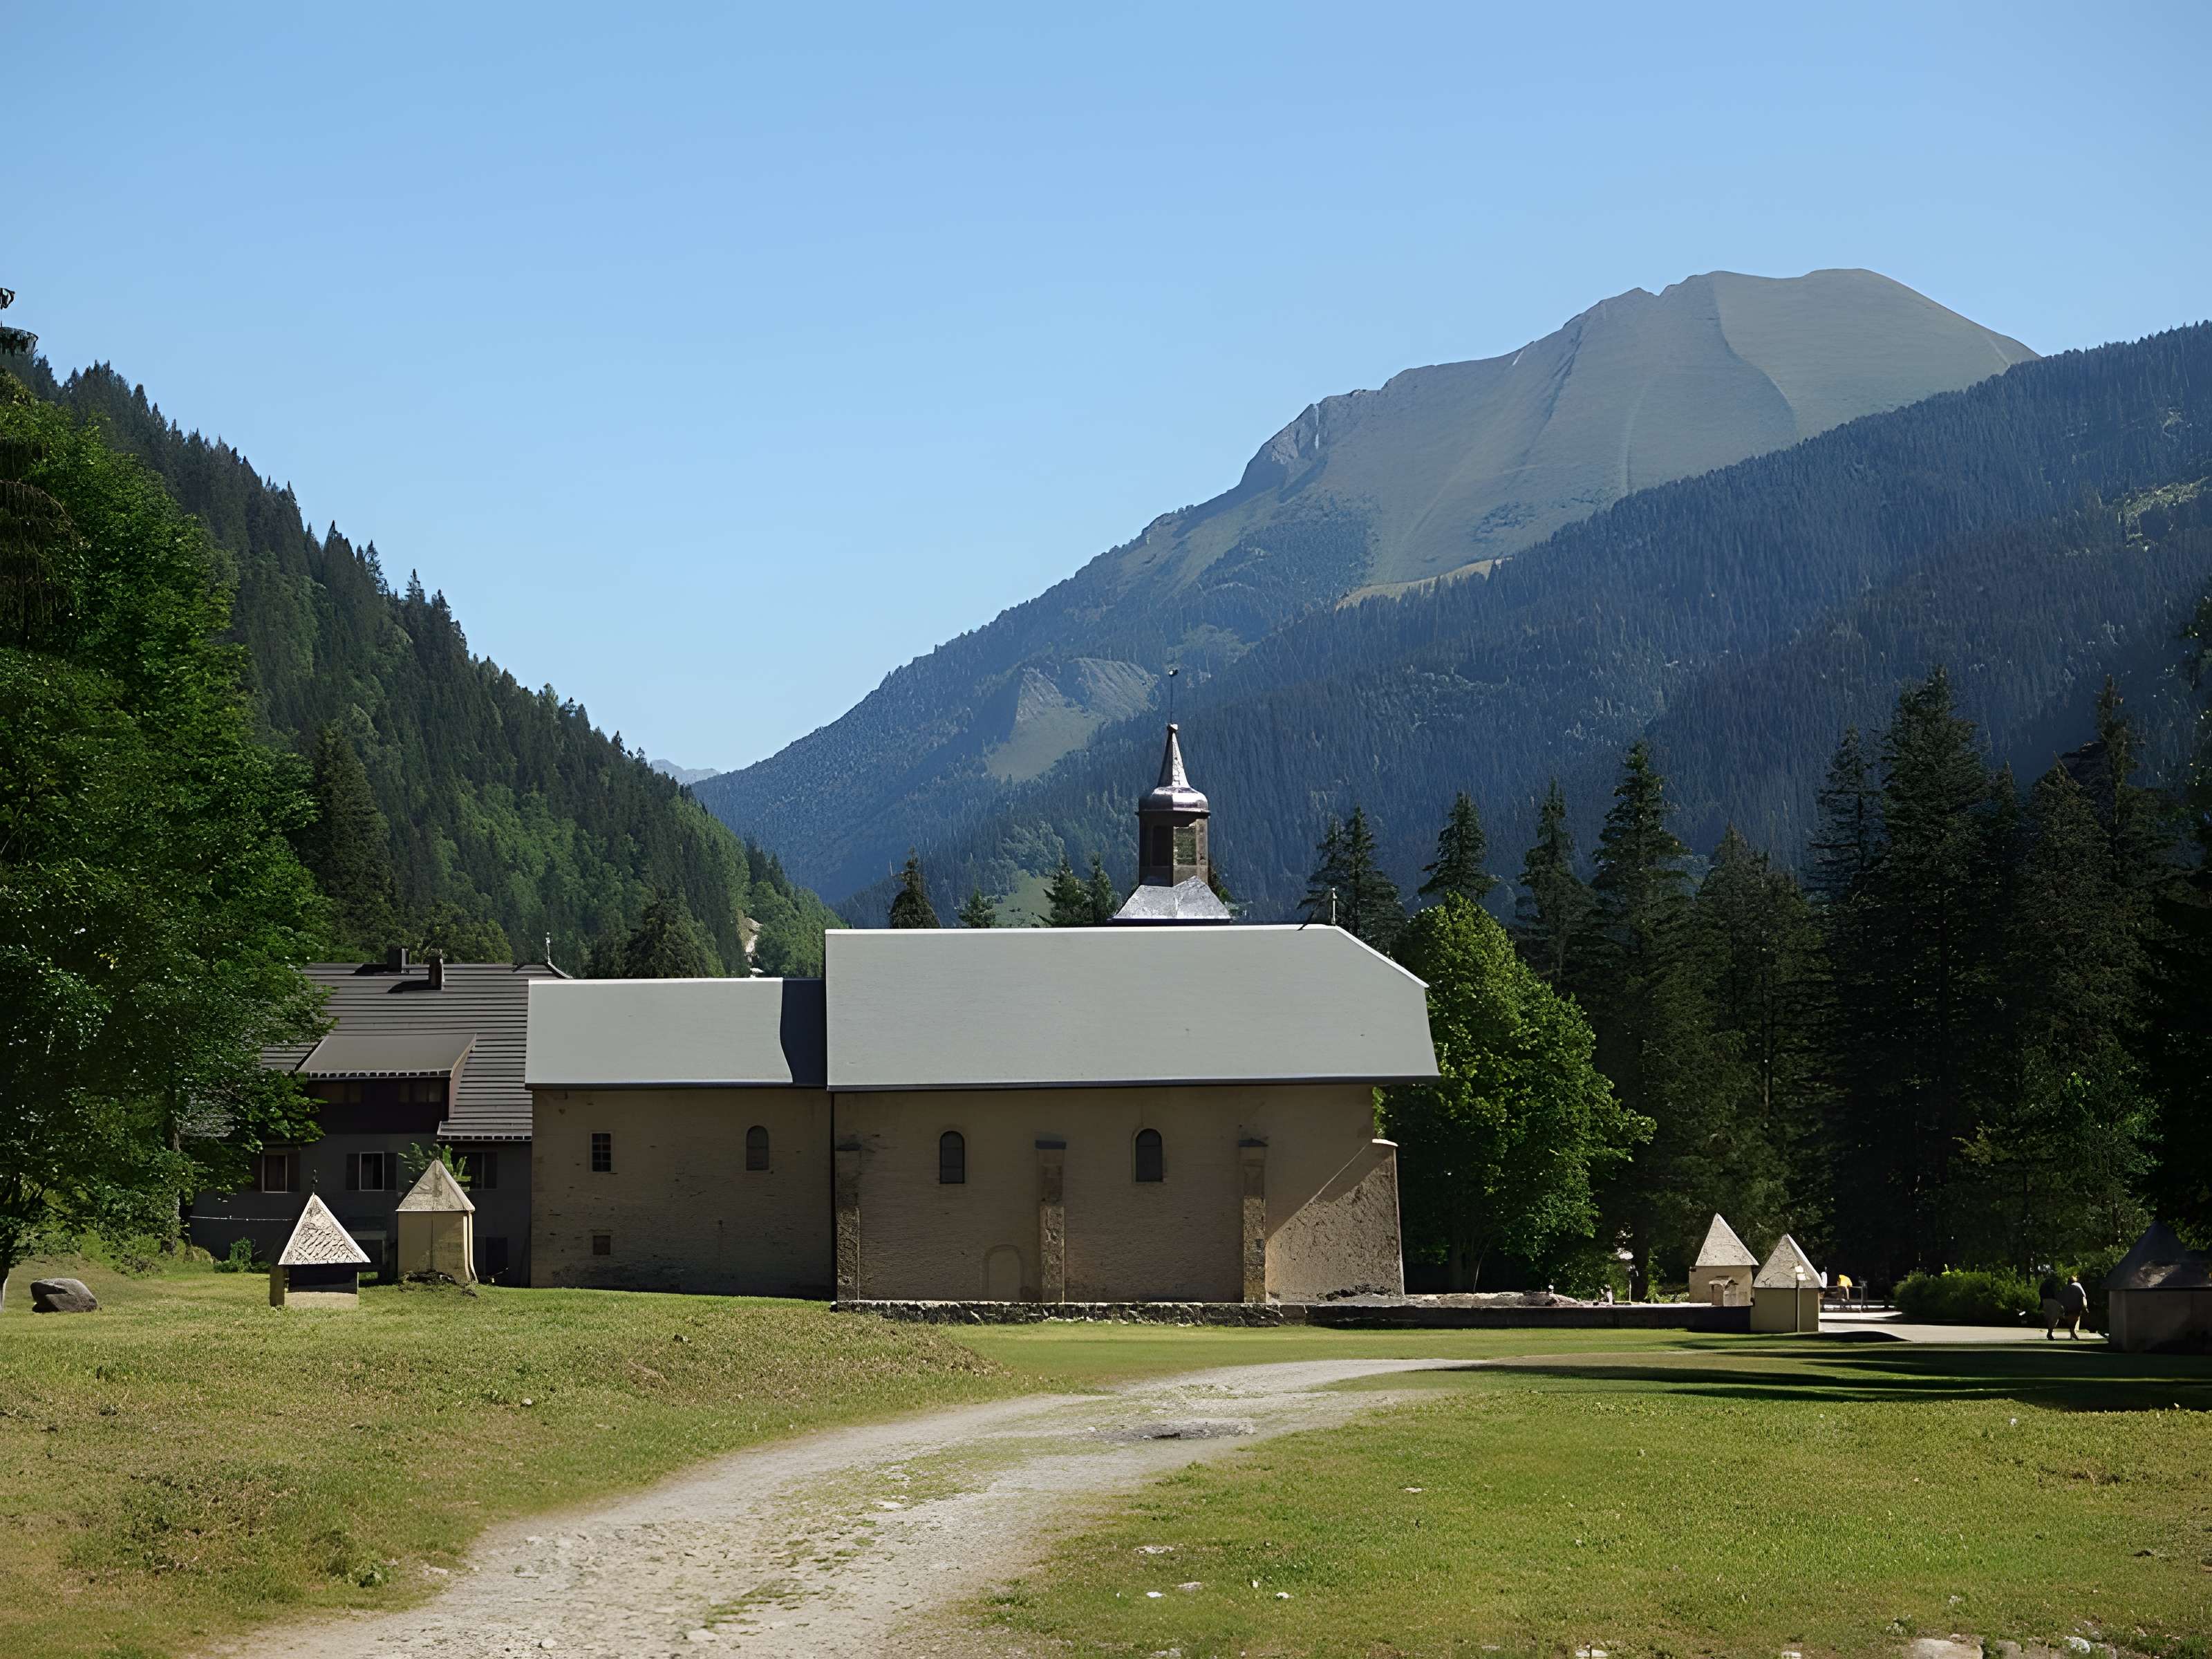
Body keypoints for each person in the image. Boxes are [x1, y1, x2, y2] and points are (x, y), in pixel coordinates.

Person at [2060, 1274, 2090, 1341]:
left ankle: (2072, 1334)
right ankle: (2073, 1333)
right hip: (2077, 1303)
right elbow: (2083, 1295)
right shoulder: (2078, 1285)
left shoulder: (2068, 1287)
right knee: (2075, 1318)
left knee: (2071, 1319)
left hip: (2071, 1304)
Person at [2040, 1271, 2064, 1338]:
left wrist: (2042, 1303)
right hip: (2053, 1301)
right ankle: (2050, 1332)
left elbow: (2041, 1292)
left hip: (2045, 1301)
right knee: (2055, 1317)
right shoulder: (2054, 1283)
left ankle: (2050, 1332)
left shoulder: (2044, 1283)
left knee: (2050, 1318)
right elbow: (2056, 1292)